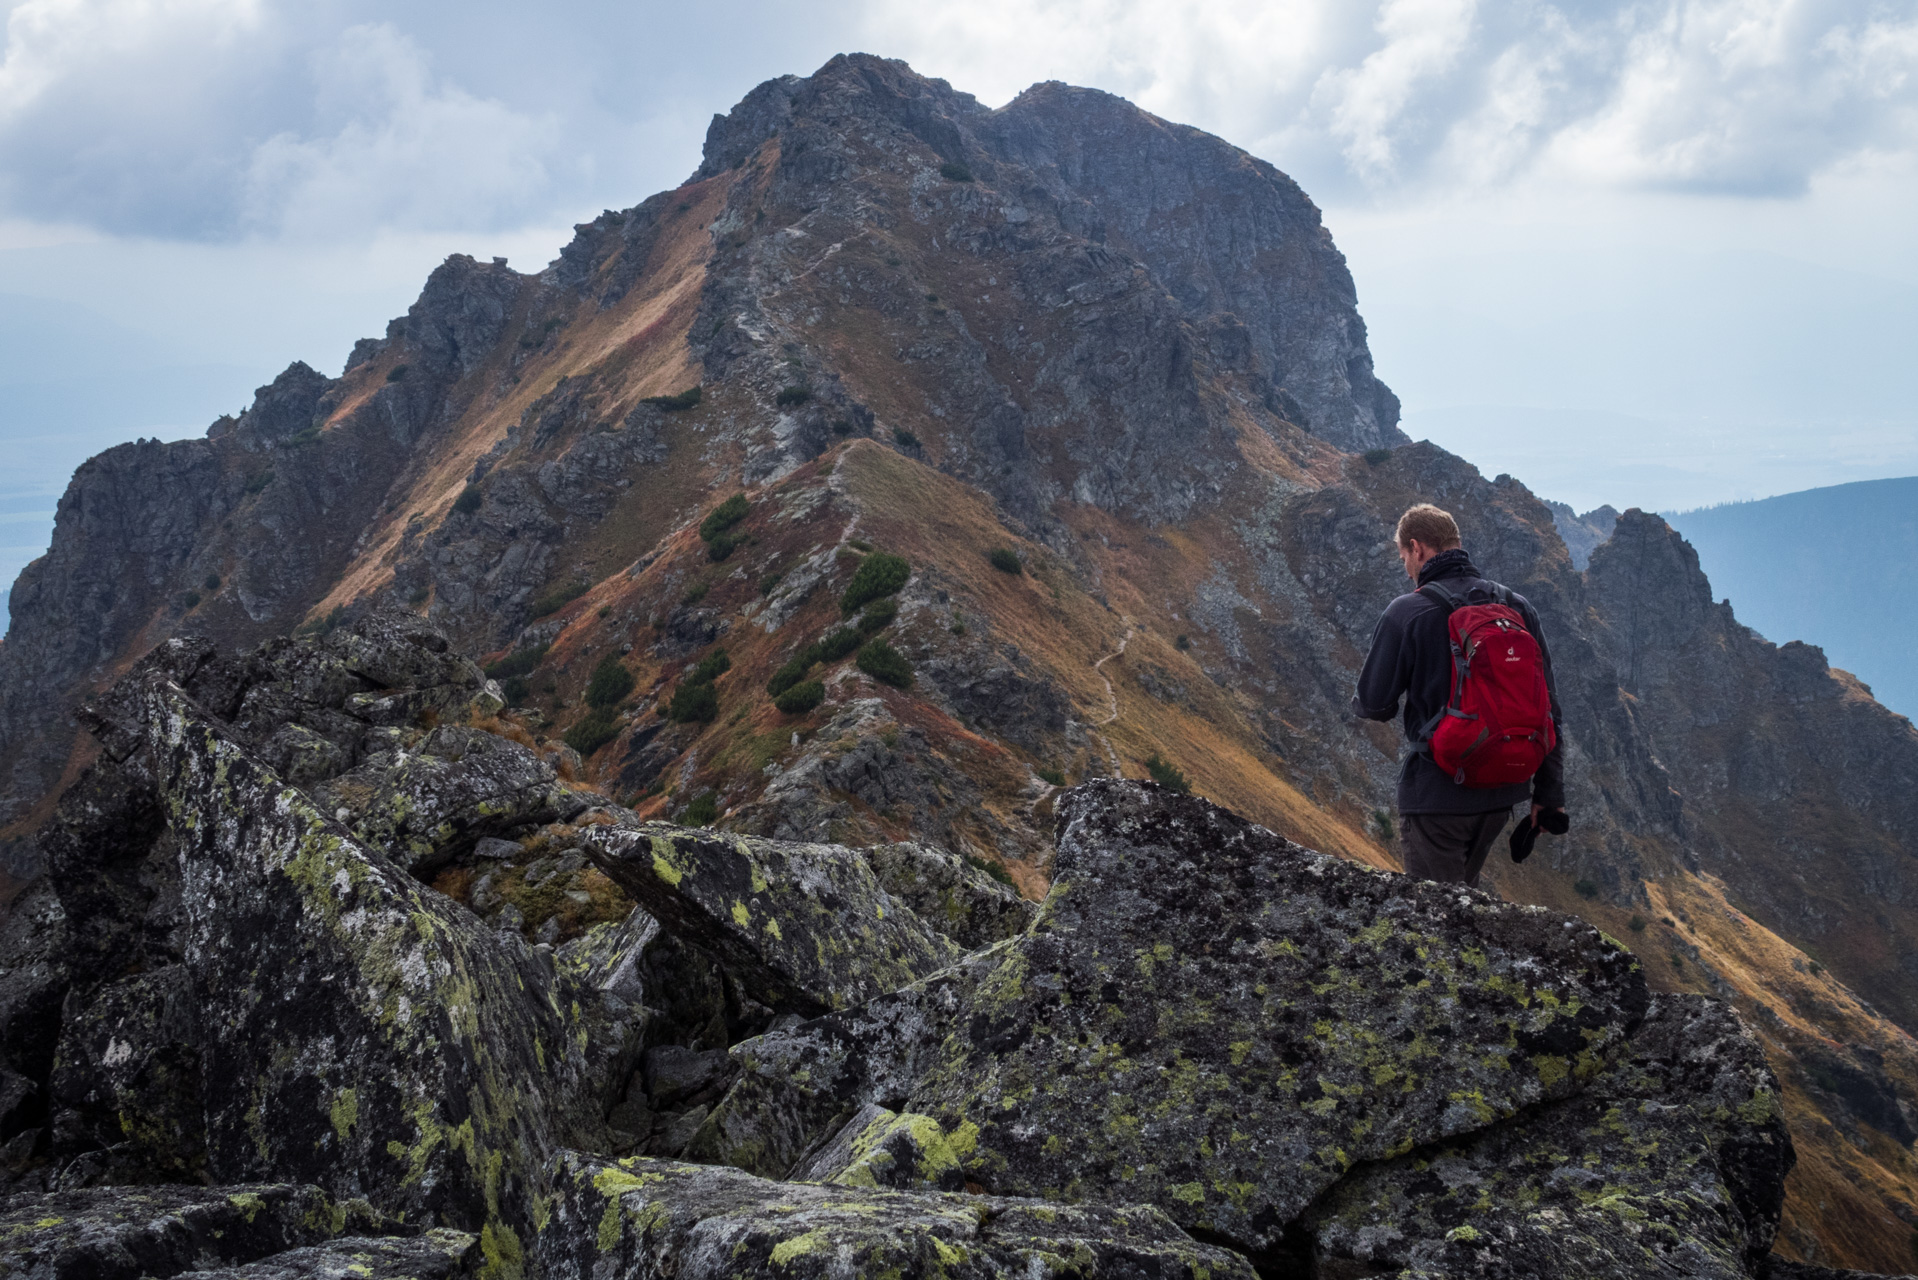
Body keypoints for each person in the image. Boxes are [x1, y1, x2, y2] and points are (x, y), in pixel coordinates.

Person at [1351, 503, 1566, 887]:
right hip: (1502, 794)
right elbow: (1549, 709)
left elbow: (1373, 704)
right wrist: (1548, 795)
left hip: (1438, 796)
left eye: (1404, 557)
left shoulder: (1407, 612)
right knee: (1464, 900)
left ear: (1417, 549)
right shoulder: (1516, 607)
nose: (1406, 568)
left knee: (1437, 921)